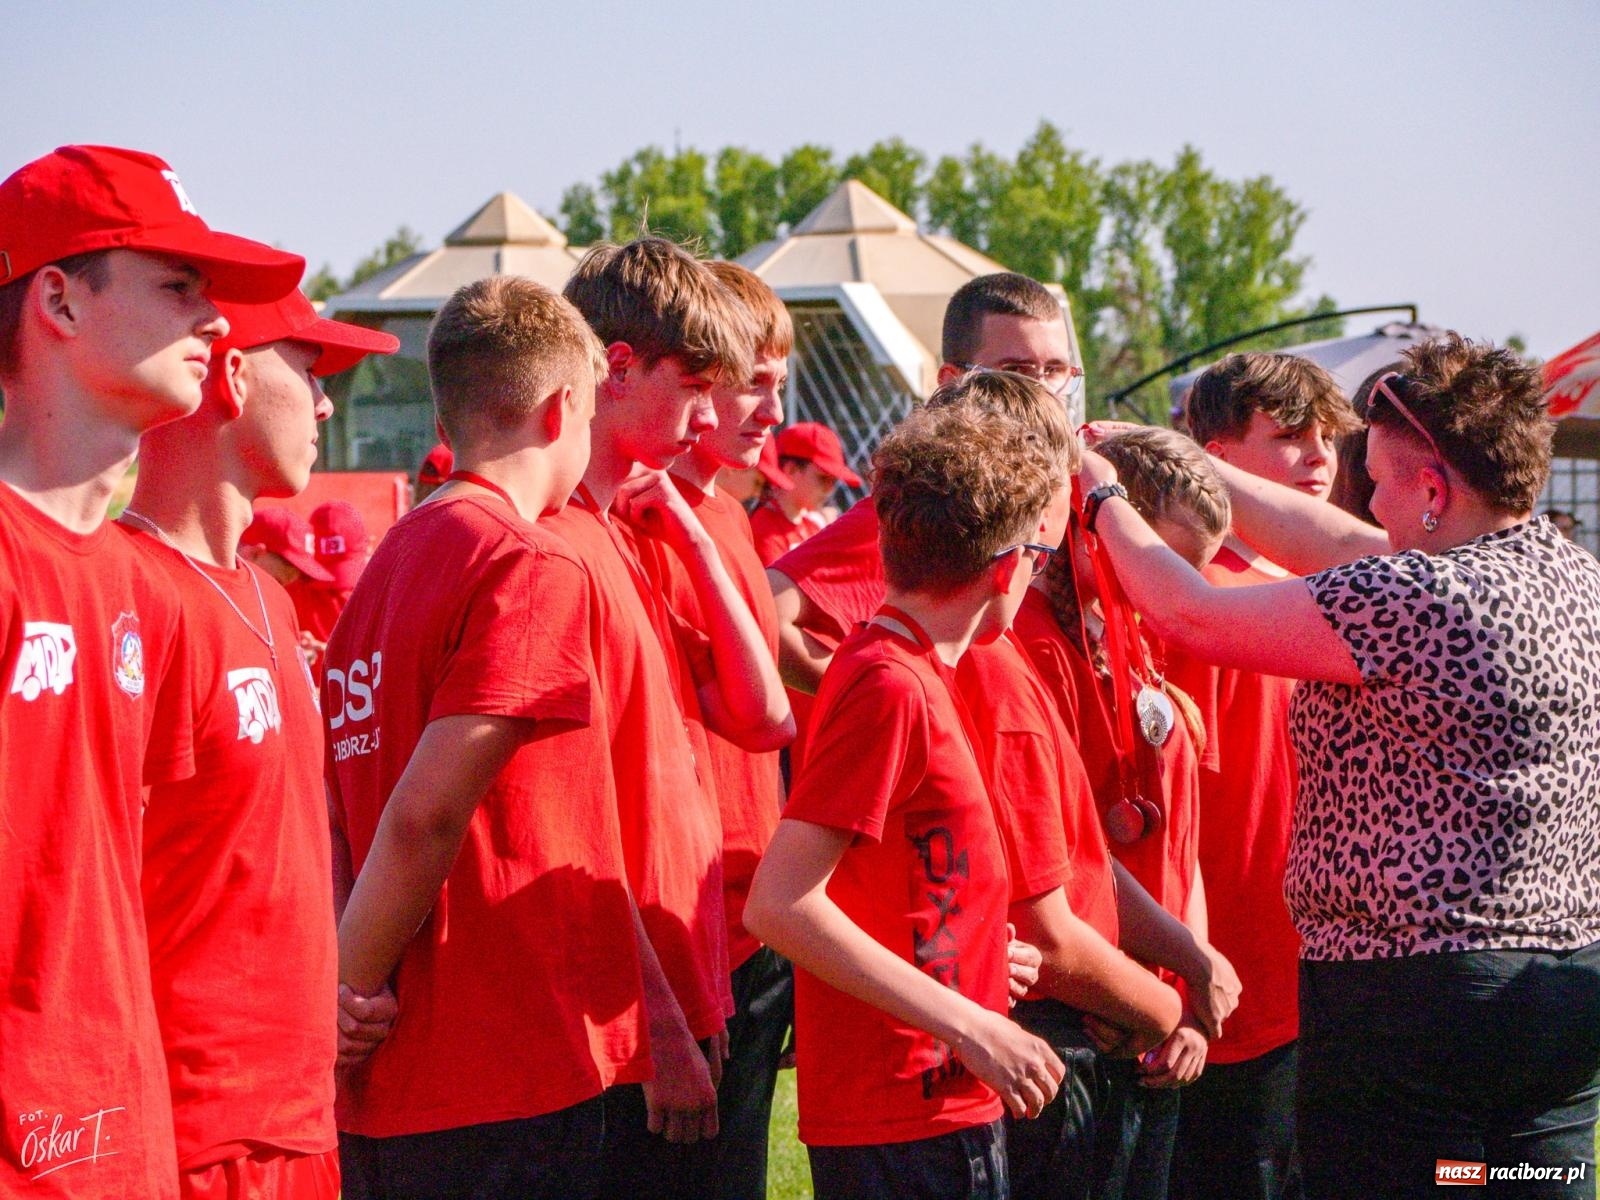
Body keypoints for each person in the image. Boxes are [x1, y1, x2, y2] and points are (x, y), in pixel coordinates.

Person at [1080, 334, 1600, 1200]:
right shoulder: (1573, 579)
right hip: (1556, 1001)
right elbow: (1335, 539)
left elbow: (1190, 613)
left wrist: (1100, 493)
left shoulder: (1414, 598)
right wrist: (1169, 459)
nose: (1369, 499)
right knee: (1516, 1184)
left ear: (1433, 491)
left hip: (1415, 1014)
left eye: (1383, 479)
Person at [0, 143, 302, 1197]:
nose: (217, 325)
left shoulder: (123, 577)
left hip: (123, 1137)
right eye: (178, 287)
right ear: (59, 303)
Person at [326, 277, 657, 1199]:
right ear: (562, 410)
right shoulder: (529, 559)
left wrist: (342, 992)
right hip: (502, 1060)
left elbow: (338, 800)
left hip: (393, 1072)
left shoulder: (391, 558)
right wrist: (343, 994)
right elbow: (424, 815)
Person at [745, 400, 1068, 1200]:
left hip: (936, 1100)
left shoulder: (912, 666)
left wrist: (983, 950)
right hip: (902, 1112)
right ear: (1005, 568)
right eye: (1041, 557)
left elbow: (891, 876)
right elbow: (781, 904)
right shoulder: (892, 683)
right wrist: (970, 1023)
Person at [120, 286, 397, 1199]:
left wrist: (333, 982)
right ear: (233, 377)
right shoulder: (130, 592)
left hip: (298, 1107)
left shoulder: (271, 598)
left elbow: (289, 834)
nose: (325, 404)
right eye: (311, 372)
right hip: (187, 1125)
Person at [555, 236, 793, 1198]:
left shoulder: (675, 520)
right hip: (631, 972)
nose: (725, 414)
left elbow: (763, 714)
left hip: (712, 931)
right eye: (710, 381)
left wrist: (688, 524)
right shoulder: (557, 540)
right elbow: (566, 816)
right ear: (616, 368)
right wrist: (661, 1012)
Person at [1012, 427, 1238, 1200]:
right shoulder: (1035, 648)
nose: (1167, 588)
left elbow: (1180, 840)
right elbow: (1067, 856)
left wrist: (1187, 982)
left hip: (1156, 1013)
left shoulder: (1140, 642)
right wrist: (1168, 986)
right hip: (1079, 1017)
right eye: (1155, 559)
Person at [1168, 354, 1359, 1200]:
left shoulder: (1330, 583)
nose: (1319, 455)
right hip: (1227, 964)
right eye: (1289, 436)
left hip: (1320, 963)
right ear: (1216, 454)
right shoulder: (1193, 595)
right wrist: (1181, 963)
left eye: (1328, 435)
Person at [747, 420, 860, 564]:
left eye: (834, 481)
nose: (830, 488)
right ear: (791, 469)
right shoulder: (765, 528)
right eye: (823, 478)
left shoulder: (811, 524)